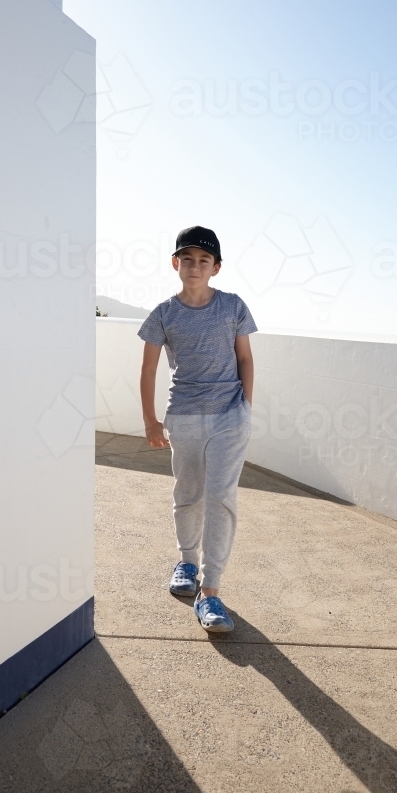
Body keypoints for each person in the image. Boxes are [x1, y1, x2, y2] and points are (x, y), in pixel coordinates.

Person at [137, 226, 257, 633]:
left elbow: (245, 358)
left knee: (220, 497)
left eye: (204, 260)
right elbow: (149, 368)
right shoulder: (163, 314)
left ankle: (211, 593)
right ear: (176, 263)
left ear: (216, 268)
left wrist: (246, 409)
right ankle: (186, 562)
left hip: (229, 415)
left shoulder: (233, 306)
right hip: (184, 416)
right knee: (188, 494)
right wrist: (151, 421)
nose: (194, 265)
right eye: (187, 258)